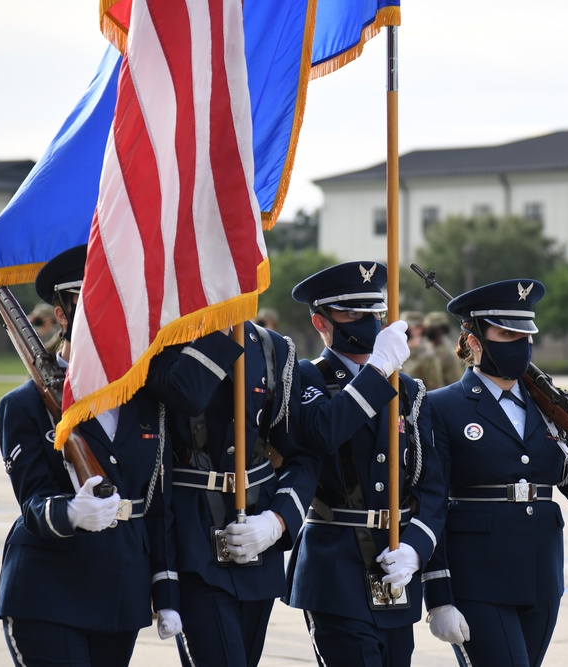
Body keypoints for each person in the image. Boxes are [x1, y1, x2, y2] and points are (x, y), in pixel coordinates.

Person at [422, 279, 568, 667]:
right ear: (474, 340)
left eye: (526, 334)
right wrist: (438, 596)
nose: (520, 343)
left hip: (541, 576)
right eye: (507, 333)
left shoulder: (547, 409)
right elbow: (429, 502)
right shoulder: (441, 406)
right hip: (476, 579)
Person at [0, 245, 179, 666]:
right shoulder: (23, 405)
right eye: (92, 302)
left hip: (122, 593)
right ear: (62, 314)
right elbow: (33, 501)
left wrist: (165, 592)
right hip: (49, 589)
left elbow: (158, 506)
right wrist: (71, 513)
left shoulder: (147, 401)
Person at [285, 261, 446, 667]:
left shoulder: (408, 390)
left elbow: (431, 485)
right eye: (352, 314)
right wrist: (376, 370)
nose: (368, 322)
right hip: (335, 569)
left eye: (374, 312)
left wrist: (416, 548)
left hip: (394, 567)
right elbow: (324, 431)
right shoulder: (306, 377)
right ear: (321, 322)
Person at [145, 315, 319, 666]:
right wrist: (220, 326)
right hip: (192, 541)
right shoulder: (161, 342)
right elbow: (187, 395)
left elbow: (301, 456)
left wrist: (278, 521)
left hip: (258, 540)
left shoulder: (274, 349)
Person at [400, 310, 447, 390]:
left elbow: (434, 390)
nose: (404, 331)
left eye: (408, 327)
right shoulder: (396, 352)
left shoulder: (428, 357)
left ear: (419, 330)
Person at [424, 310, 465, 383]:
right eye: (428, 328)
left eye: (432, 328)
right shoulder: (425, 348)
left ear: (441, 330)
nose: (429, 331)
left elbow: (455, 380)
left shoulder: (449, 353)